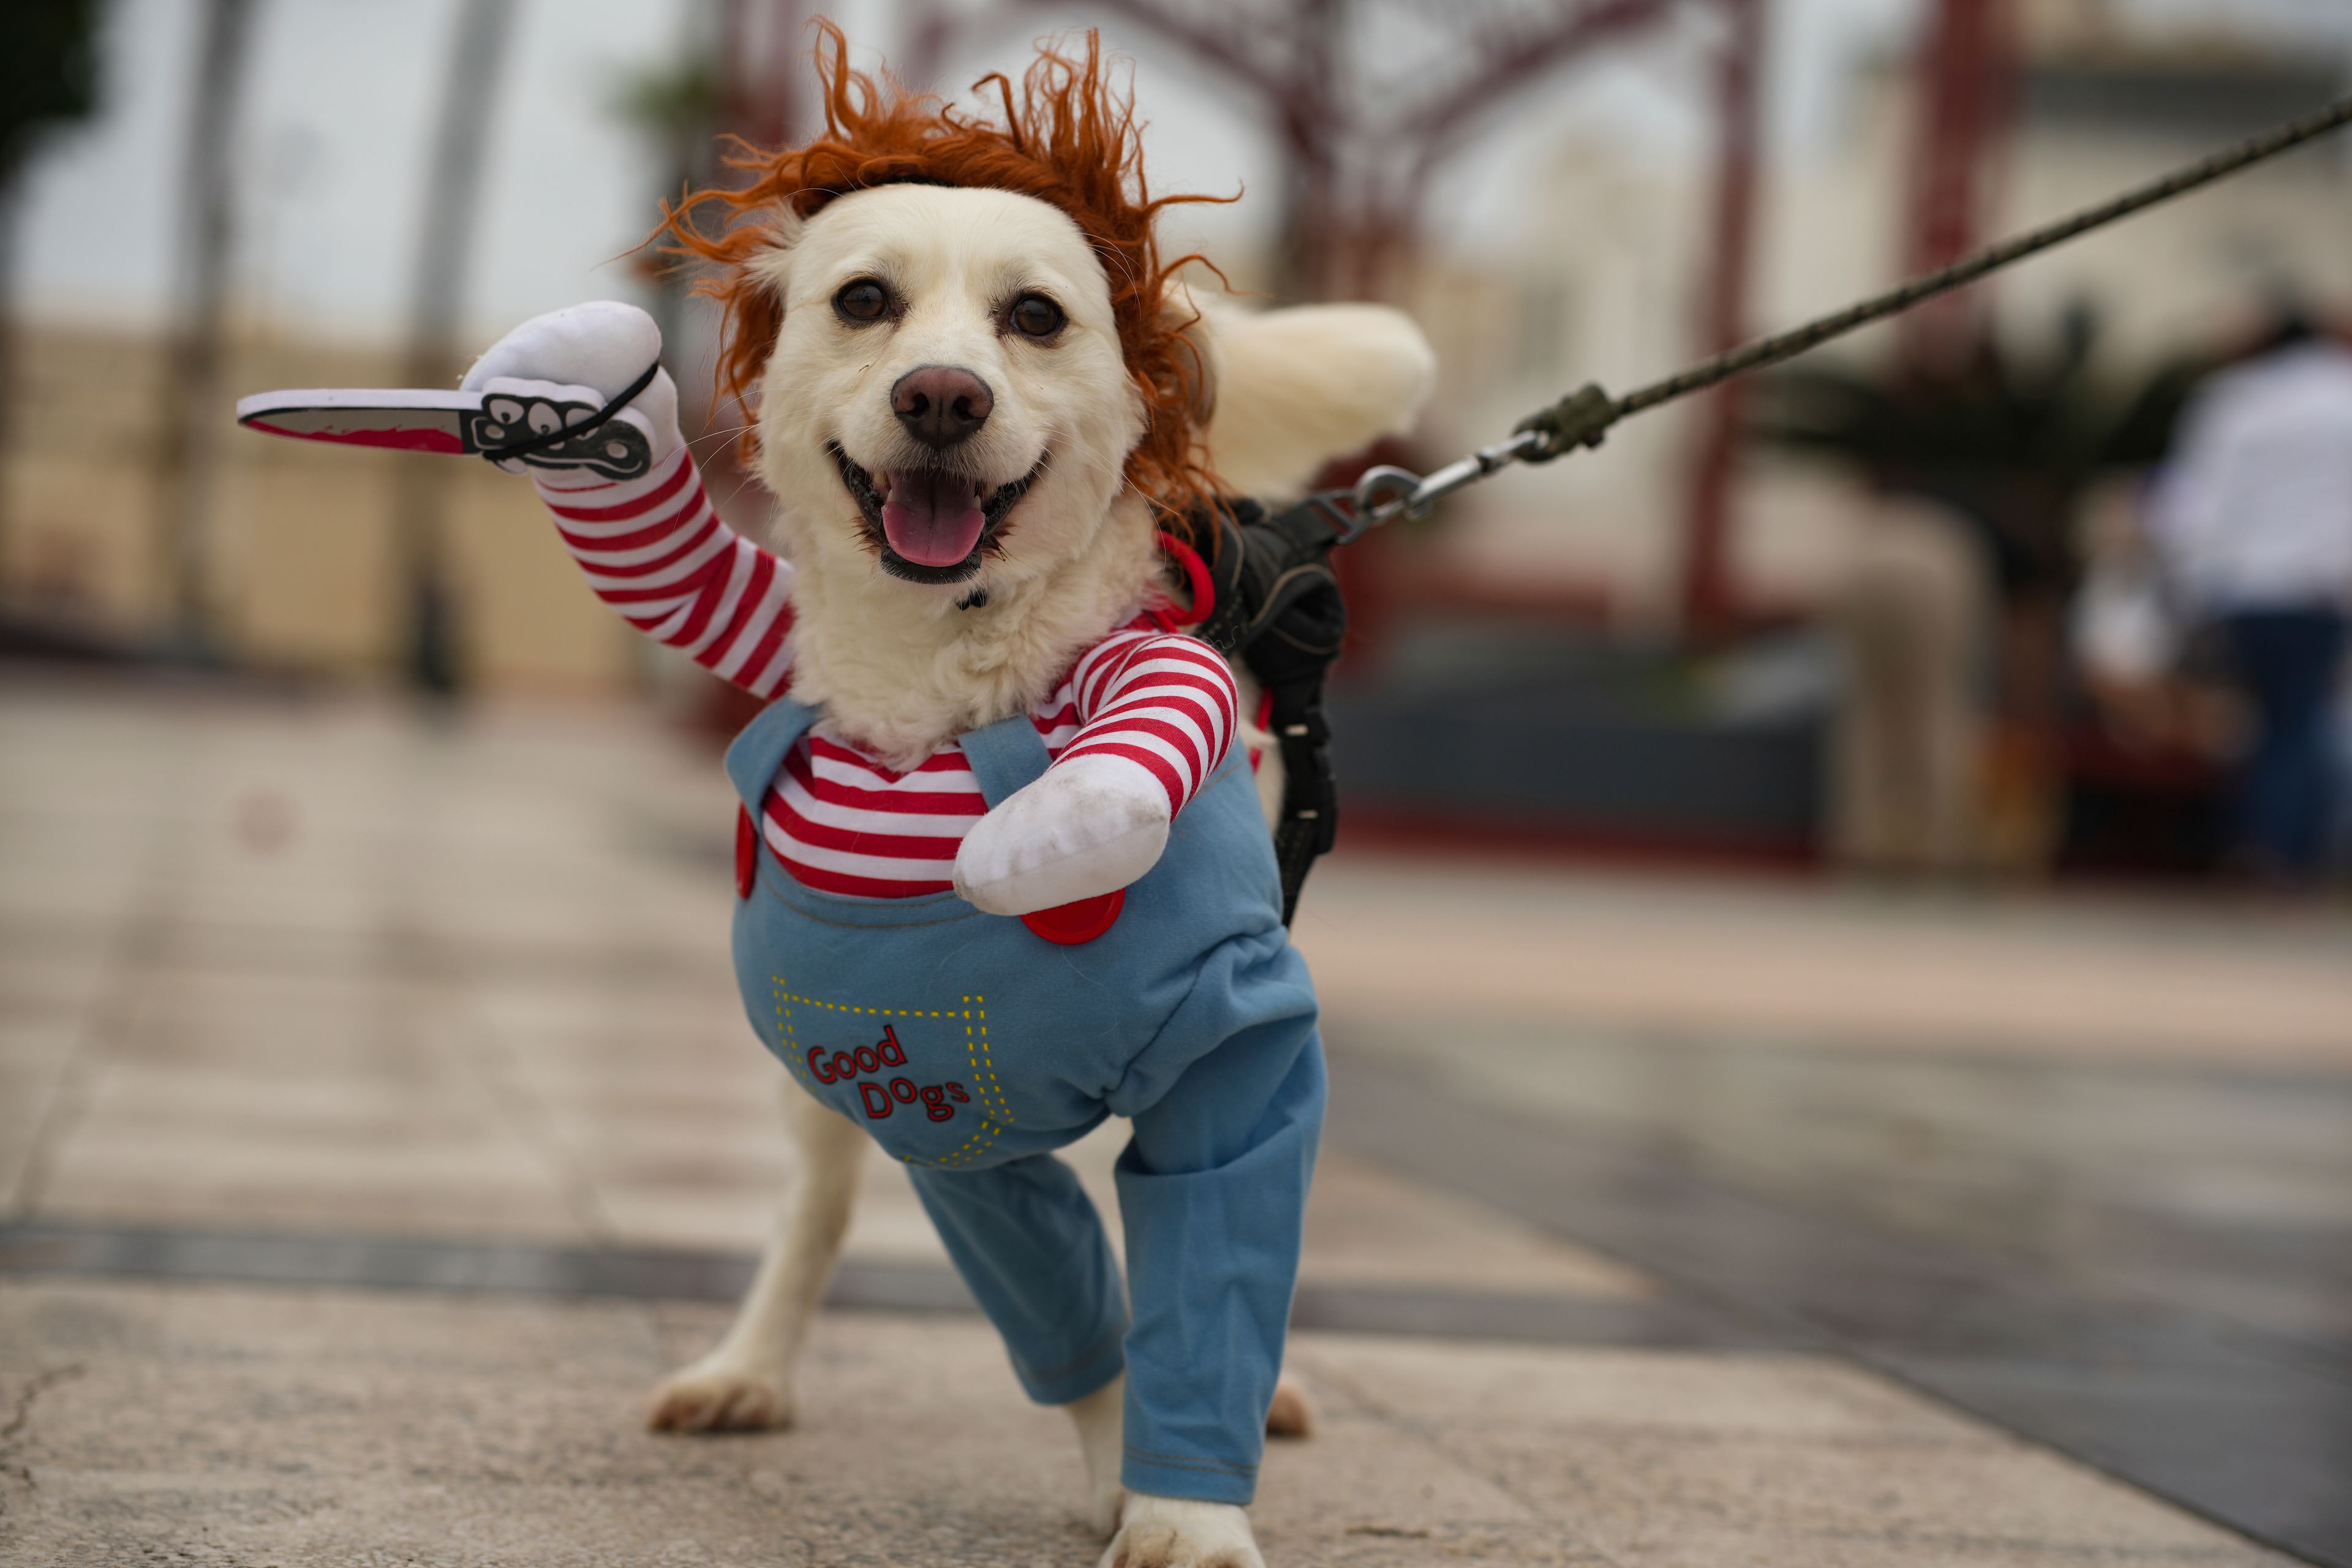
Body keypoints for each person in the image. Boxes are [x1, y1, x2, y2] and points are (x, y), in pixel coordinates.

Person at [2149, 318, 2352, 881]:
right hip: (2316, 589)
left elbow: (2193, 504)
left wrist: (2188, 590)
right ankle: (2276, 853)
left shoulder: (2232, 399)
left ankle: (2262, 846)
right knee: (2296, 722)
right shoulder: (2344, 396)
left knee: (2271, 724)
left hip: (2242, 589)